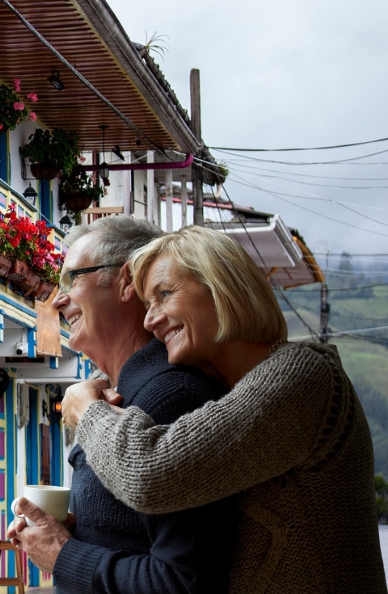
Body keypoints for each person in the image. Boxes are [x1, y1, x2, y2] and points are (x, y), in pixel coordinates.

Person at [62, 226, 386, 593]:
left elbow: (150, 475)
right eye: (148, 304)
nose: (151, 320)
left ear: (222, 288)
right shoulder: (234, 392)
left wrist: (86, 410)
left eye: (164, 294)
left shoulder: (302, 377)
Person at [5, 216, 231, 593]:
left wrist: (63, 555)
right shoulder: (131, 392)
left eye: (72, 279)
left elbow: (184, 582)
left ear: (127, 281)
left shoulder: (171, 397)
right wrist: (66, 535)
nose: (58, 299)